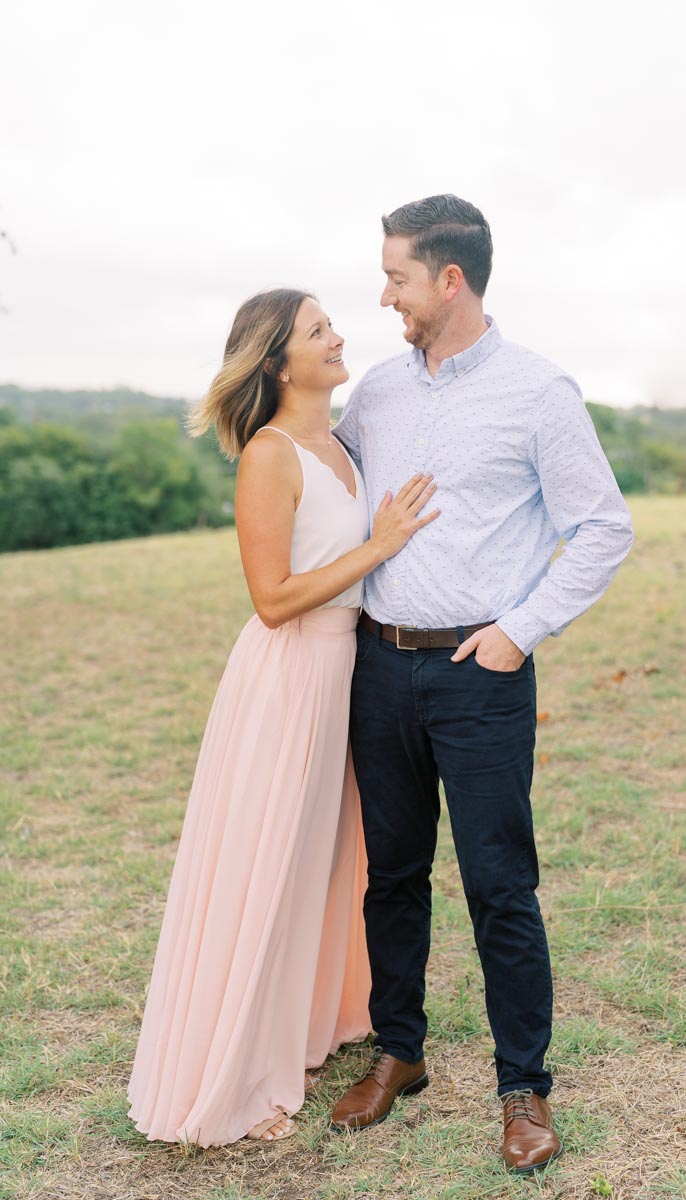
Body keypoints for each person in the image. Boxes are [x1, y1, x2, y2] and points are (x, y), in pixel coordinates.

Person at [331, 195, 634, 1174]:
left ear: (448, 279)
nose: (384, 297)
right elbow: (321, 488)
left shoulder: (538, 394)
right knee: (391, 874)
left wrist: (518, 629)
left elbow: (601, 529)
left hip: (479, 672)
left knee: (500, 887)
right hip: (376, 667)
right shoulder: (374, 391)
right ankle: (399, 1053)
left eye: (397, 278)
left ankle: (522, 1091)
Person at [127, 287, 439, 1147]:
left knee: (326, 858)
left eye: (332, 324)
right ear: (276, 361)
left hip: (351, 671)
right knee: (267, 860)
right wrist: (379, 546)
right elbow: (271, 600)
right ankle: (231, 1059)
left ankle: (300, 1021)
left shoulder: (338, 443)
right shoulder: (270, 455)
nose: (339, 336)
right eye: (317, 330)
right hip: (290, 674)